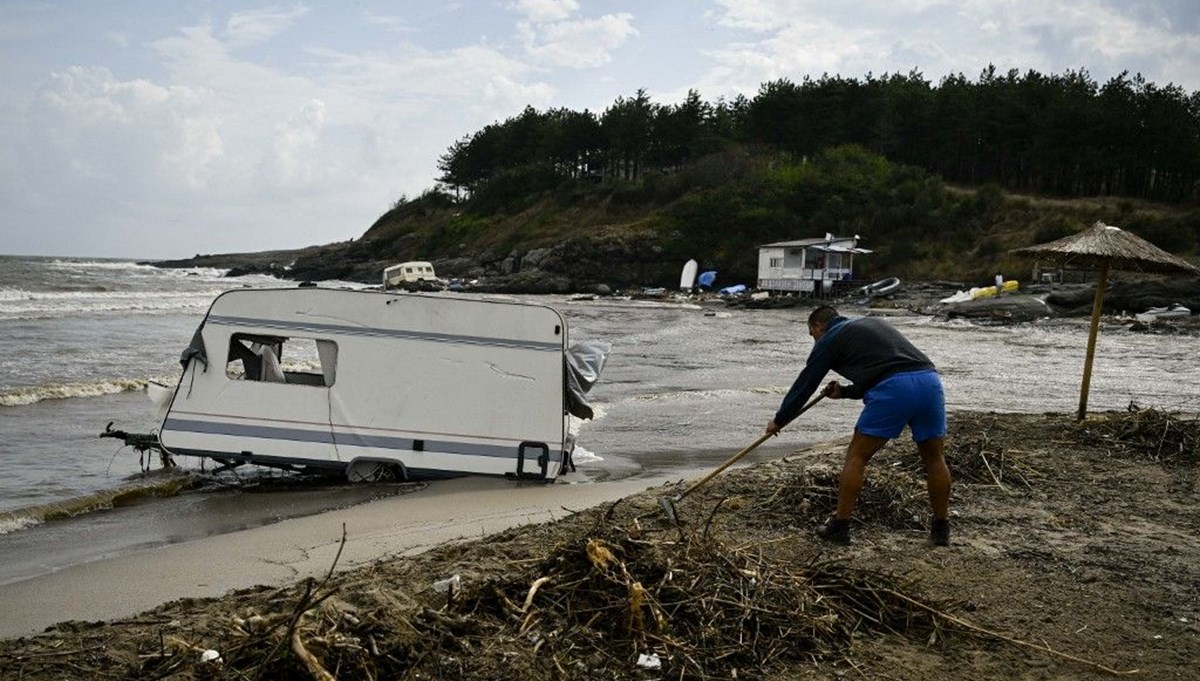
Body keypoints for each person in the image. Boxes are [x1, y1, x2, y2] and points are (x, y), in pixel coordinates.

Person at [765, 305, 951, 546]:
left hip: (895, 387)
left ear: (818, 326)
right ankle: (941, 532)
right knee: (934, 458)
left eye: (813, 336)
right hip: (929, 380)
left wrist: (780, 419)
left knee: (856, 456)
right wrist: (844, 392)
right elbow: (885, 369)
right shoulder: (870, 324)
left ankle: (840, 527)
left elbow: (806, 383)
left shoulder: (830, 338)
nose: (815, 342)